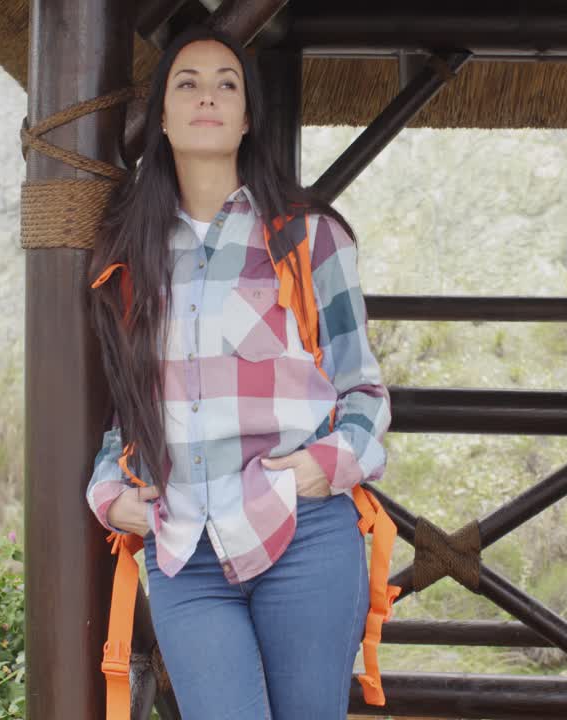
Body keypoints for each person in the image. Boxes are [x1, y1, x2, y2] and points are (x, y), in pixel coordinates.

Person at [82, 23, 392, 720]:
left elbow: (363, 390)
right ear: (159, 116)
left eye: (227, 85)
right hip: (183, 546)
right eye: (186, 84)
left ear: (248, 116)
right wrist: (109, 491)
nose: (208, 98)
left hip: (302, 534)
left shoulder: (309, 236)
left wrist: (326, 465)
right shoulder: (128, 250)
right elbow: (127, 412)